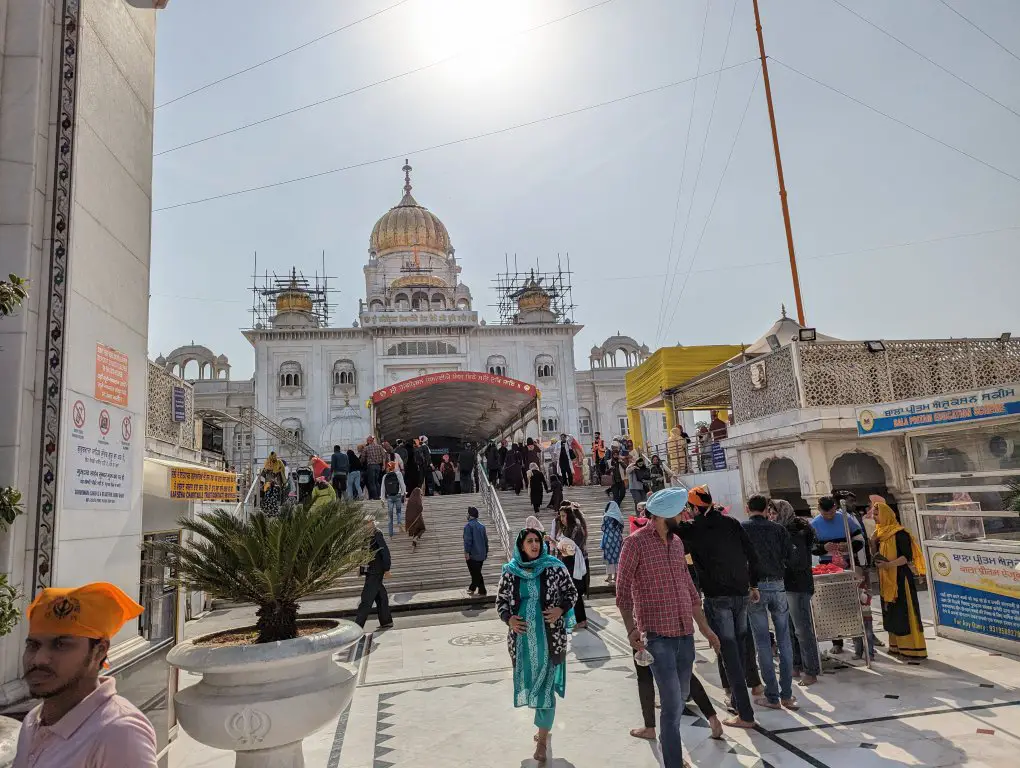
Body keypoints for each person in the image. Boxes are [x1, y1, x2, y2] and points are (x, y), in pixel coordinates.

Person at [615, 488, 722, 768]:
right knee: (673, 704)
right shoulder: (634, 544)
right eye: (679, 511)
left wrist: (706, 630)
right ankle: (673, 761)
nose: (684, 515)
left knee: (682, 694)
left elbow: (689, 589)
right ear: (664, 515)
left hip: (684, 633)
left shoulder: (676, 544)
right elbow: (623, 590)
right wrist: (631, 629)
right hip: (656, 635)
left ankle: (669, 743)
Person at [15, 582, 157, 767]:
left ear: (99, 652)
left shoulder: (118, 732)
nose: (39, 659)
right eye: (33, 645)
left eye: (61, 645)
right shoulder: (34, 720)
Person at [676, 485, 761, 728]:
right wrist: (752, 584)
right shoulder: (732, 523)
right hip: (741, 594)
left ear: (693, 508)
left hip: (717, 597)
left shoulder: (692, 529)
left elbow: (670, 529)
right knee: (740, 647)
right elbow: (752, 555)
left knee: (729, 653)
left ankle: (745, 714)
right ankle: (744, 699)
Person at [496, 528, 578, 763]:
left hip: (551, 639)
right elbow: (501, 600)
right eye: (529, 541)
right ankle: (543, 726)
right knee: (533, 683)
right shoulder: (510, 571)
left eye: (537, 541)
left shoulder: (554, 567)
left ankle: (542, 740)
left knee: (546, 687)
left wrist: (560, 609)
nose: (534, 544)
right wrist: (509, 619)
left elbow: (571, 592)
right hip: (522, 642)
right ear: (521, 546)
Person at [742, 494, 799, 711]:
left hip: (754, 588)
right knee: (784, 640)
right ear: (767, 508)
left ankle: (772, 695)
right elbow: (790, 557)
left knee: (763, 642)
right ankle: (787, 695)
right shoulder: (779, 529)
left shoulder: (742, 528)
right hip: (777, 585)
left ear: (748, 508)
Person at [770, 499, 821, 685]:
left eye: (775, 513)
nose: (772, 517)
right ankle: (796, 665)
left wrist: (777, 562)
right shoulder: (783, 531)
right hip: (787, 584)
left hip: (797, 585)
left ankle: (811, 670)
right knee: (789, 629)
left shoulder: (795, 532)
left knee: (802, 629)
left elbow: (797, 561)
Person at [872, 502, 927, 659]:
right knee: (892, 613)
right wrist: (872, 543)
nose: (874, 518)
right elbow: (874, 557)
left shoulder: (900, 533)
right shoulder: (880, 534)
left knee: (905, 611)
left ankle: (913, 648)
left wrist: (889, 564)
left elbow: (906, 557)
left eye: (877, 515)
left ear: (886, 515)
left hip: (900, 578)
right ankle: (897, 647)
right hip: (886, 578)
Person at [811, 495, 865, 653]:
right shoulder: (814, 524)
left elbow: (860, 540)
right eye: (825, 514)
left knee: (852, 600)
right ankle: (837, 641)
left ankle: (858, 638)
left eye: (831, 513)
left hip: (848, 564)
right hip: (827, 567)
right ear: (819, 509)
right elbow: (812, 548)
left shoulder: (846, 519)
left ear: (836, 507)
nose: (829, 516)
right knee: (831, 604)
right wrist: (823, 548)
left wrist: (847, 546)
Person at [550, 504, 589, 629]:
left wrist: (556, 544)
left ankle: (582, 620)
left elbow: (570, 549)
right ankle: (572, 618)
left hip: (574, 564)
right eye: (560, 516)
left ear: (569, 516)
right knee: (568, 591)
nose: (561, 519)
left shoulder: (576, 529)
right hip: (567, 563)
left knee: (575, 591)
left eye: (563, 516)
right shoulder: (566, 528)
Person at [355, 517, 393, 630]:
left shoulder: (377, 534)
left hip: (376, 571)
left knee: (366, 598)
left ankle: (357, 626)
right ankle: (386, 621)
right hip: (370, 571)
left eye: (366, 523)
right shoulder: (366, 536)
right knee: (381, 596)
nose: (364, 526)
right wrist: (361, 568)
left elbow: (385, 551)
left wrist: (387, 569)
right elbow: (364, 554)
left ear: (372, 523)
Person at [464, 506, 490, 596]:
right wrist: (486, 551)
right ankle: (474, 588)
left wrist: (466, 552)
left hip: (472, 554)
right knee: (476, 572)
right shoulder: (481, 526)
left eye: (467, 513)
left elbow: (468, 541)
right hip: (481, 554)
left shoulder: (468, 526)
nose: (466, 515)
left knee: (475, 573)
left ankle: (481, 590)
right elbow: (486, 540)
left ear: (470, 515)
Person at [853, 568, 877, 662]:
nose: (854, 580)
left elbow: (865, 600)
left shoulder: (865, 588)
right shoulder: (851, 588)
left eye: (856, 578)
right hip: (856, 616)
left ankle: (870, 654)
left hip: (866, 616)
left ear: (862, 578)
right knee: (856, 636)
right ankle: (858, 653)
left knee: (869, 636)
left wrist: (860, 591)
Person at [600, 500, 624, 584]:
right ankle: (616, 576)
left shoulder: (606, 516)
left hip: (608, 539)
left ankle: (609, 576)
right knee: (617, 557)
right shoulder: (619, 517)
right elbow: (621, 529)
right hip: (617, 539)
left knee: (609, 557)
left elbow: (602, 528)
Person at [382, 461, 407, 537]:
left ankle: (390, 534)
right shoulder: (398, 474)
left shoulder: (385, 476)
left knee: (390, 516)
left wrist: (382, 499)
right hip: (397, 495)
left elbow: (382, 488)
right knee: (398, 511)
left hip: (389, 497)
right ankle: (399, 522)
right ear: (394, 467)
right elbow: (402, 484)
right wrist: (404, 493)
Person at [361, 436, 386, 500]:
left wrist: (362, 462)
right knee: (377, 481)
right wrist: (383, 465)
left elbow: (363, 458)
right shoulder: (380, 447)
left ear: (369, 441)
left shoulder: (366, 448)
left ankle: (375, 496)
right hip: (378, 466)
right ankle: (379, 494)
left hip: (371, 466)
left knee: (372, 482)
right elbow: (384, 456)